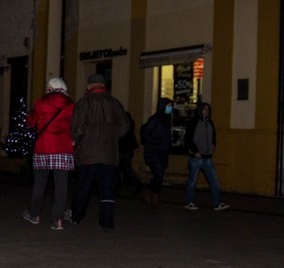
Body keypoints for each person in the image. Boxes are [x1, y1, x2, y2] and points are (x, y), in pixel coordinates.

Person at [71, 74, 132, 229]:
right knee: (107, 189)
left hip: (88, 152)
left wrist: (79, 138)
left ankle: (76, 216)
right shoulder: (115, 103)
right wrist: (113, 136)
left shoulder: (84, 102)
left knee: (84, 186)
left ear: (89, 86)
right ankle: (106, 221)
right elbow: (125, 125)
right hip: (109, 152)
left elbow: (77, 127)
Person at [23, 78, 74, 229]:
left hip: (43, 148)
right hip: (63, 148)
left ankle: (34, 214)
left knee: (40, 183)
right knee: (61, 185)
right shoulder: (71, 104)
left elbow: (30, 122)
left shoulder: (41, 103)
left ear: (50, 88)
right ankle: (57, 219)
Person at [183, 101, 230, 210]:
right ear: (200, 110)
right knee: (192, 181)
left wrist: (213, 146)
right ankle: (189, 202)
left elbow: (213, 136)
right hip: (196, 157)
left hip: (207, 157)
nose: (206, 111)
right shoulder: (193, 122)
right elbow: (188, 138)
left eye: (208, 109)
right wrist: (195, 151)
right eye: (204, 109)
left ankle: (218, 203)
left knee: (214, 180)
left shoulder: (210, 123)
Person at [141, 96, 174, 207]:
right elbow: (146, 134)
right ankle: (152, 193)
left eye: (171, 106)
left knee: (159, 175)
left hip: (162, 152)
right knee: (158, 173)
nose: (170, 108)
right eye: (168, 106)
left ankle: (153, 193)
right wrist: (154, 142)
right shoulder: (155, 120)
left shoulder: (167, 120)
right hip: (153, 151)